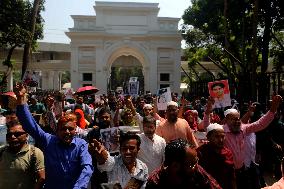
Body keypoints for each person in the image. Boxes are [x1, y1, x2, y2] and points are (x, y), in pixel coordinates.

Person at [14, 83, 93, 189]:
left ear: (75, 130)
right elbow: (31, 126)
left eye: (70, 129)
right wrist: (21, 98)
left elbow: (87, 168)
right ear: (56, 130)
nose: (67, 132)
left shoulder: (81, 145)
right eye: (63, 129)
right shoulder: (48, 140)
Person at [203, 95, 283, 189]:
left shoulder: (243, 128)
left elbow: (260, 124)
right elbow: (207, 127)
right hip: (227, 172)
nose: (237, 121)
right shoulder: (221, 130)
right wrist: (208, 111)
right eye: (233, 119)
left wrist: (273, 109)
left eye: (238, 119)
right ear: (227, 120)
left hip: (242, 170)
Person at [146, 139, 222, 189]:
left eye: (196, 161)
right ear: (175, 166)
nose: (196, 167)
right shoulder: (156, 181)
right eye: (191, 164)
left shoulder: (196, 170)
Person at [0, 120, 45, 189]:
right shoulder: (2, 151)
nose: (13, 137)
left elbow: (41, 178)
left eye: (17, 134)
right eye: (9, 134)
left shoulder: (34, 153)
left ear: (26, 136)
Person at [196, 123, 236, 189]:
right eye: (217, 137)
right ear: (208, 137)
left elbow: (232, 176)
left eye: (222, 136)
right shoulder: (200, 153)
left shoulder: (228, 153)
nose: (220, 140)